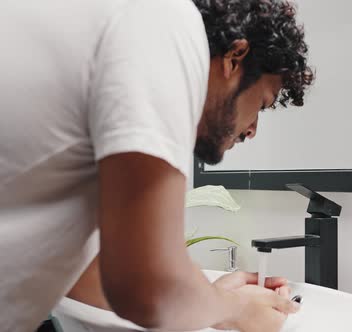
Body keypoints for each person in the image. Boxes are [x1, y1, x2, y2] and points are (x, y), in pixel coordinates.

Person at [0, 0, 313, 331]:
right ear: (234, 58)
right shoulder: (165, 23)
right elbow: (147, 288)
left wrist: (212, 300)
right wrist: (235, 309)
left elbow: (89, 278)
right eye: (261, 104)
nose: (252, 129)